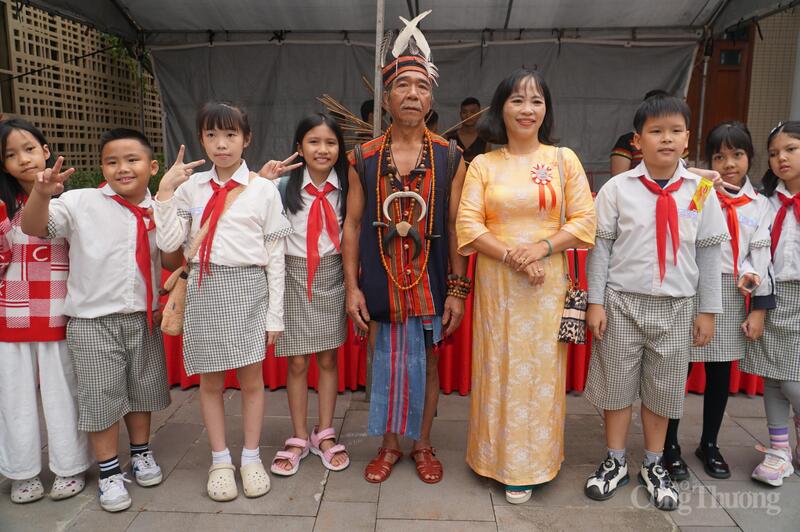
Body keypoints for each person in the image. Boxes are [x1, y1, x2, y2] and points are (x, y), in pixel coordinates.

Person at [456, 69, 596, 504]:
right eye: (517, 100)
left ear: (546, 110)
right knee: (498, 366)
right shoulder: (483, 163)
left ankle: (532, 463)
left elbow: (585, 221)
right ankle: (491, 457)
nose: (527, 109)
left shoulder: (562, 160)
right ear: (500, 109)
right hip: (499, 285)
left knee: (539, 375)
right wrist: (514, 255)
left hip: (545, 286)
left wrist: (540, 247)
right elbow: (467, 224)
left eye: (536, 101)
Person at [583, 95, 728, 511]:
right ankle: (614, 461)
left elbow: (709, 252)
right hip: (621, 303)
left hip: (677, 306)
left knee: (662, 390)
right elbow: (601, 248)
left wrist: (707, 310)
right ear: (637, 141)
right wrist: (597, 302)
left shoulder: (700, 191)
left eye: (676, 131)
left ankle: (653, 461)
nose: (667, 139)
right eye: (656, 131)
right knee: (616, 387)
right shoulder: (617, 189)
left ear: (687, 140)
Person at [343, 9, 468, 485]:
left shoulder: (451, 155)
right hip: (380, 278)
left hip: (431, 277)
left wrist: (457, 288)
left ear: (431, 96)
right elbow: (352, 225)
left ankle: (423, 444)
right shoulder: (364, 157)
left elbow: (457, 226)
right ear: (387, 95)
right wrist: (352, 288)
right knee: (384, 360)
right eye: (402, 86)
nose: (412, 95)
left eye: (421, 87)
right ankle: (388, 445)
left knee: (429, 361)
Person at [21, 128, 173, 513]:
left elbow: (170, 260)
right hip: (93, 322)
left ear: (152, 166)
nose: (122, 168)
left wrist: (171, 210)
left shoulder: (161, 208)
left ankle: (141, 453)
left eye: (132, 160)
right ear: (101, 166)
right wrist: (41, 194)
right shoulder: (80, 202)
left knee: (143, 389)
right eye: (111, 161)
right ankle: (108, 470)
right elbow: (34, 227)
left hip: (143, 317)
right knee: (100, 397)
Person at [153, 102, 291, 501]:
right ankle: (219, 460)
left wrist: (275, 315)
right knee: (211, 382)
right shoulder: (190, 188)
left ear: (247, 139)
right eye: (211, 135)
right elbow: (167, 245)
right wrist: (164, 190)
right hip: (204, 289)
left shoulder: (264, 190)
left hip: (250, 289)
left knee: (251, 381)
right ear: (201, 139)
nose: (221, 143)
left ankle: (250, 458)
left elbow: (276, 258)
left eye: (230, 135)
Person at [662, 121, 774, 481]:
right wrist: (699, 179)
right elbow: (682, 226)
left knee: (719, 371)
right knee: (678, 368)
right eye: (720, 156)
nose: (729, 163)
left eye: (737, 155)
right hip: (693, 286)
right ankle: (669, 444)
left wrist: (755, 293)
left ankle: (709, 443)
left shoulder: (759, 205)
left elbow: (760, 253)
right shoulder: (699, 193)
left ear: (750, 159)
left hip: (731, 291)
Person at [0, 119, 91, 504]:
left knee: (63, 394)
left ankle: (70, 468)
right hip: (9, 315)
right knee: (13, 398)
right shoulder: (3, 205)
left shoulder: (70, 200)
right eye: (9, 154)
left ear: (46, 150)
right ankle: (22, 473)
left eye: (29, 149)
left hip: (60, 312)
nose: (22, 159)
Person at [269, 114, 350, 476]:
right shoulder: (280, 187)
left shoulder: (348, 186)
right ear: (299, 147)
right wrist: (259, 181)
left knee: (329, 358)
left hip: (333, 273)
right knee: (298, 361)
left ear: (339, 149)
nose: (322, 149)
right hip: (292, 275)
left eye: (330, 142)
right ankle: (300, 434)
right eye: (313, 142)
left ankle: (325, 433)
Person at [740, 121, 800, 487]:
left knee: (795, 384)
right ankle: (780, 452)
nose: (781, 158)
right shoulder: (766, 202)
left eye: (791, 149)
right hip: (776, 297)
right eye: (775, 153)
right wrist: (757, 301)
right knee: (775, 379)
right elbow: (754, 252)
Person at [610, 90, 670, 176]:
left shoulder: (677, 140)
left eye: (676, 131)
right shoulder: (627, 141)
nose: (667, 139)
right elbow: (618, 179)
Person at [446, 97, 489, 164]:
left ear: (479, 114)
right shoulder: (449, 137)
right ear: (460, 114)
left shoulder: (485, 138)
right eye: (464, 112)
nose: (468, 115)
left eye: (473, 112)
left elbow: (487, 165)